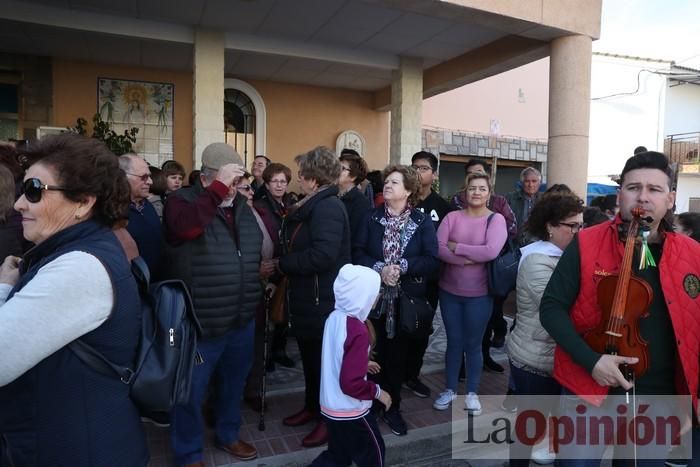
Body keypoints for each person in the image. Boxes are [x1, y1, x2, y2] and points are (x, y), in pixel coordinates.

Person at [540, 151, 700, 465]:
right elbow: (551, 308)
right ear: (620, 195)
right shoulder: (586, 242)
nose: (643, 196)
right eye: (633, 187)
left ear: (670, 198)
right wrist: (592, 360)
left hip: (659, 398)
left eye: (654, 189)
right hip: (589, 389)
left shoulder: (692, 253)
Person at [0, 133, 149, 466]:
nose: (20, 203)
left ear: (83, 202)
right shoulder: (80, 249)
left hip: (81, 450)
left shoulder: (79, 267)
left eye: (35, 190)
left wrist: (2, 288)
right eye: (24, 190)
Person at [163, 142, 262, 464]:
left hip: (241, 318)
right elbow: (185, 229)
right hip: (200, 321)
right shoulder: (182, 202)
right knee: (190, 393)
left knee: (232, 386)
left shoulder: (243, 209)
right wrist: (218, 191)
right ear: (207, 179)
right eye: (229, 181)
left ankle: (228, 434)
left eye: (239, 182)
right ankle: (188, 453)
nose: (236, 188)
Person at [354, 164, 439, 436]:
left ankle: (393, 407)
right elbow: (356, 254)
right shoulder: (370, 218)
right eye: (387, 181)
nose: (387, 186)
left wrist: (401, 266)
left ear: (409, 191)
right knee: (372, 352)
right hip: (373, 298)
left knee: (397, 356)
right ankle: (372, 403)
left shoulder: (422, 222)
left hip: (406, 301)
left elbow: (431, 260)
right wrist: (381, 268)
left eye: (394, 182)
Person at [278, 146, 351, 448]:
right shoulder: (314, 204)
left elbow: (322, 256)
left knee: (325, 365)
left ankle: (328, 419)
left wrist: (283, 264)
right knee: (311, 360)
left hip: (324, 300)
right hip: (310, 298)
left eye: (300, 174)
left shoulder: (328, 207)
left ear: (312, 178)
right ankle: (311, 406)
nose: (297, 180)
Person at [506, 191, 584, 467]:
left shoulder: (562, 255)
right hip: (534, 356)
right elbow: (562, 308)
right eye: (571, 226)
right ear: (550, 227)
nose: (578, 232)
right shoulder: (538, 260)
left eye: (580, 225)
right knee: (530, 424)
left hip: (551, 355)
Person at [433, 171, 507, 414]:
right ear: (465, 191)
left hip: (480, 293)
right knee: (454, 342)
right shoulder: (452, 217)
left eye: (482, 188)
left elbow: (491, 251)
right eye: (472, 188)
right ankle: (450, 389)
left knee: (473, 344)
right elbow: (439, 248)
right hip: (449, 291)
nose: (476, 192)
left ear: (489, 193)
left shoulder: (495, 220)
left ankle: (472, 393)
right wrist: (467, 259)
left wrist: (459, 248)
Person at [310, 264, 392, 467]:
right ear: (361, 295)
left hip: (331, 407)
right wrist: (377, 392)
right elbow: (351, 384)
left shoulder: (334, 318)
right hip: (351, 411)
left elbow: (338, 357)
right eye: (375, 292)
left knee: (337, 456)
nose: (378, 296)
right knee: (374, 455)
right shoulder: (358, 329)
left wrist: (361, 363)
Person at [452, 160, 517, 373]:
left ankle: (484, 356)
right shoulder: (456, 201)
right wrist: (476, 246)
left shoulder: (500, 202)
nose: (476, 188)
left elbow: (510, 228)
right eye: (471, 176)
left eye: (479, 175)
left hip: (492, 272)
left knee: (488, 318)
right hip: (460, 276)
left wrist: (488, 239)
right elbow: (447, 238)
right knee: (460, 324)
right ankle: (460, 363)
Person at [404, 150, 453, 399]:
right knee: (397, 329)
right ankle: (394, 373)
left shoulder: (443, 207)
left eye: (423, 168)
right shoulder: (402, 201)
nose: (417, 172)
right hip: (400, 279)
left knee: (421, 329)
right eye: (414, 167)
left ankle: (412, 374)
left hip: (429, 281)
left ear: (434, 174)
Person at [253, 162, 298, 370]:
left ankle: (279, 351)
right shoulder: (260, 206)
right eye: (275, 181)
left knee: (283, 312)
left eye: (283, 181)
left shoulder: (290, 205)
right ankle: (265, 356)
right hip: (268, 263)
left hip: (286, 264)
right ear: (267, 183)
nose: (279, 185)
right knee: (267, 316)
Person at [118, 154, 162, 274]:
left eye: (150, 176)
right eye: (144, 177)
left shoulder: (147, 205)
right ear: (123, 177)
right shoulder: (112, 212)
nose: (150, 182)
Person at [505, 166, 542, 246]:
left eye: (534, 181)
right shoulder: (510, 198)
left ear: (539, 183)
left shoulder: (545, 200)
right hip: (513, 245)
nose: (530, 185)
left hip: (538, 245)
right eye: (527, 181)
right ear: (521, 183)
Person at [338, 151, 371, 239]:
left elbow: (356, 236)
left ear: (353, 176)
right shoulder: (332, 195)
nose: (336, 170)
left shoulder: (361, 203)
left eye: (342, 168)